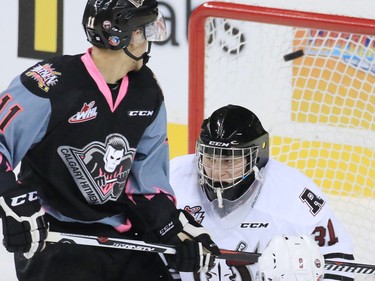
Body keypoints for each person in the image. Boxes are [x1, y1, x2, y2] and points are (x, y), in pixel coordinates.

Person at [0, 1, 220, 280]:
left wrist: (173, 229)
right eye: (143, 30)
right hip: (56, 239)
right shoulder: (50, 84)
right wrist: (14, 201)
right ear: (118, 36)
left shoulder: (147, 92)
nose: (149, 38)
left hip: (122, 240)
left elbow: (145, 186)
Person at [170, 104, 355, 281]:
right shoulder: (173, 179)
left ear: (256, 158)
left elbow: (338, 257)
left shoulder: (292, 193)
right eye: (210, 157)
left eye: (228, 161)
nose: (217, 170)